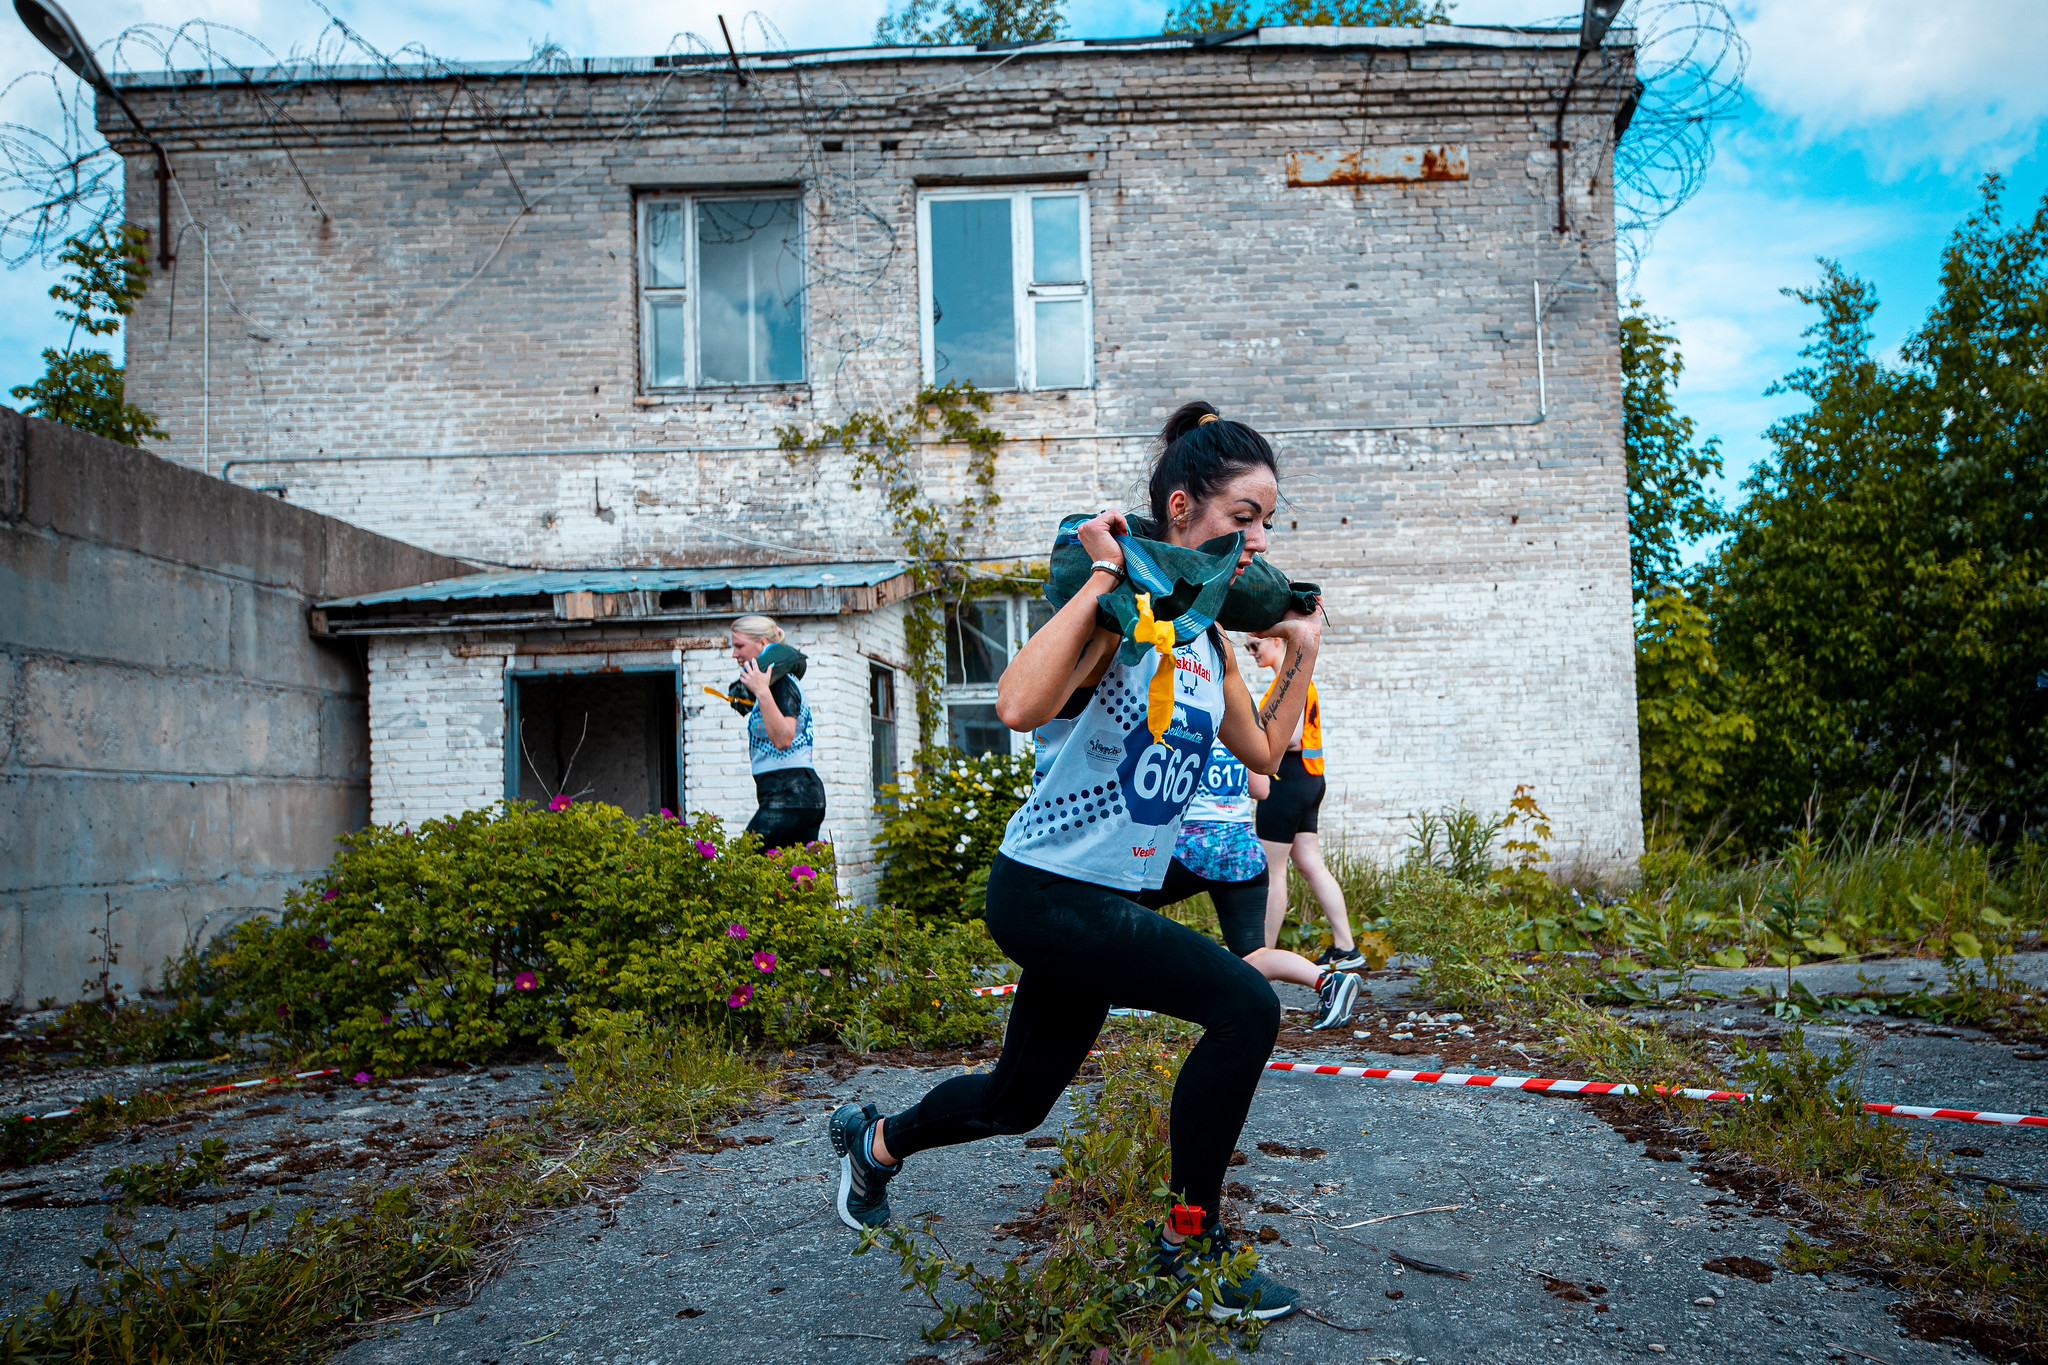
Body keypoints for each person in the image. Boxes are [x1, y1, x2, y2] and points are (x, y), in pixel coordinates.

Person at [829, 401, 1322, 1323]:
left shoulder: (1209, 637)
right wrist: (1102, 576)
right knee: (1246, 1004)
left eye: (1267, 523)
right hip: (1046, 888)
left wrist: (1301, 650)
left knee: (1016, 1101)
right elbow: (1018, 705)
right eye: (1244, 517)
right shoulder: (1120, 610)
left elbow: (1261, 751)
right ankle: (1189, 1244)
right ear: (1181, 510)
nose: (1258, 541)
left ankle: (875, 1143)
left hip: (1107, 898)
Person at [1136, 734, 1363, 1031]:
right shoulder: (1241, 734)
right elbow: (1261, 789)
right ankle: (1328, 982)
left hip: (1193, 848)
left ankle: (1126, 988)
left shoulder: (1179, 729)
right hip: (1244, 852)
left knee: (1124, 905)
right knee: (1254, 953)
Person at [1249, 636, 1362, 969]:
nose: (1252, 653)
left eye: (1255, 645)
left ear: (1275, 640)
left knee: (1273, 870)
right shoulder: (1297, 682)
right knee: (1311, 864)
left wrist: (1253, 738)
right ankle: (1346, 947)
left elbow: (1293, 736)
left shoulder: (1288, 685)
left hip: (1287, 780)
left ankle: (1261, 955)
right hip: (1310, 778)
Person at [730, 615, 825, 847]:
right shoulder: (771, 684)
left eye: (739, 646)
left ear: (762, 643)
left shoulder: (780, 683)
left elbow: (783, 738)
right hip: (789, 794)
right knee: (793, 870)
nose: (734, 654)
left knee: (744, 861)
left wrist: (762, 692)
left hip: (789, 794)